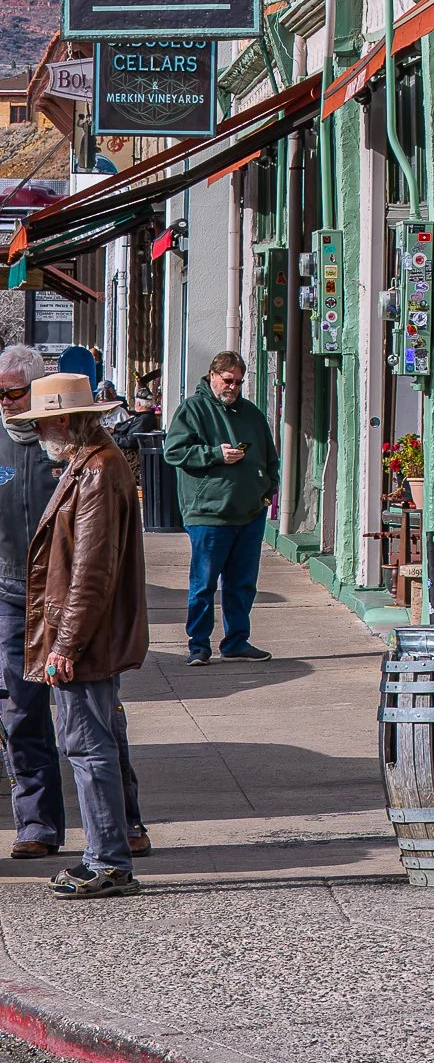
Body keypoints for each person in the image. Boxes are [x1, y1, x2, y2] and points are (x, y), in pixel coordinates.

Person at [0, 345, 149, 862]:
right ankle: (60, 833)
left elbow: (90, 569)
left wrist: (66, 641)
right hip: (29, 603)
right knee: (38, 720)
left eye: (38, 416)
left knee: (90, 736)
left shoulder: (94, 471)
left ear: (63, 419)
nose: (31, 426)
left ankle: (112, 849)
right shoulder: (85, 462)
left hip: (72, 617)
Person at [163, 350, 278, 665]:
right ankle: (198, 645)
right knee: (204, 584)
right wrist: (214, 454)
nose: (233, 388)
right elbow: (173, 452)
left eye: (239, 382)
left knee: (242, 584)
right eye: (228, 380)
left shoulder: (251, 414)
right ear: (213, 375)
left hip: (250, 513)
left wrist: (268, 489)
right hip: (209, 514)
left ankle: (236, 641)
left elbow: (270, 457)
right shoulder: (193, 410)